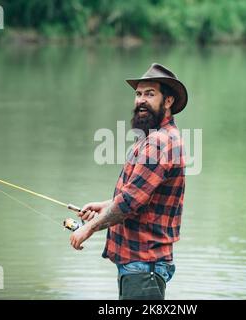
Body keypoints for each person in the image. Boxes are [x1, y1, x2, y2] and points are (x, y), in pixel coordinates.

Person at [69, 63, 188, 300]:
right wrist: (107, 205)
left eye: (150, 94)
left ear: (168, 101)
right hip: (142, 266)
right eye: (138, 94)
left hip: (144, 266)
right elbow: (139, 195)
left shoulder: (158, 143)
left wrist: (88, 228)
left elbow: (129, 202)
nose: (141, 100)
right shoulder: (157, 138)